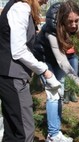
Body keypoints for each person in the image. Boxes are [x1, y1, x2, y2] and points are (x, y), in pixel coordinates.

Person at [0, 0, 61, 141]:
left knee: (12, 130)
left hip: (10, 76)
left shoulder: (18, 7)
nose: (46, 1)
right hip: (13, 76)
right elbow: (19, 51)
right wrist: (44, 70)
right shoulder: (20, 9)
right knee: (24, 131)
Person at [33, 1, 79, 141]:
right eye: (70, 22)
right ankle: (52, 135)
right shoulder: (52, 28)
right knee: (53, 93)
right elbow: (62, 62)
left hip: (57, 57)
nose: (74, 25)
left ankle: (57, 132)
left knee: (61, 93)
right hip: (44, 57)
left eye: (77, 21)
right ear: (62, 19)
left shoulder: (75, 25)